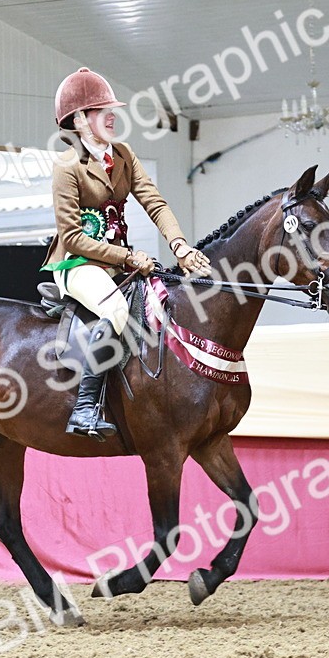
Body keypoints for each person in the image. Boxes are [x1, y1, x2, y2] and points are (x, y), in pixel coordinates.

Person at [43, 67, 210, 441]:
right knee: (116, 310)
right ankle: (85, 409)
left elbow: (155, 202)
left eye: (111, 109)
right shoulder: (67, 167)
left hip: (117, 263)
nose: (112, 115)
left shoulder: (124, 154)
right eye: (102, 110)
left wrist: (179, 244)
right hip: (77, 264)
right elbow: (71, 236)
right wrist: (129, 258)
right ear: (79, 120)